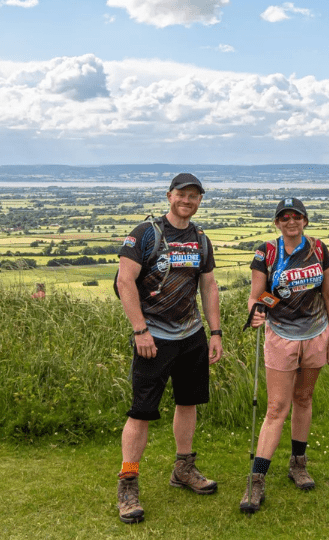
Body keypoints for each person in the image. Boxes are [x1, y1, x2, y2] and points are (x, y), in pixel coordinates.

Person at [113, 173, 224, 524]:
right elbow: (124, 280)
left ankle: (183, 469)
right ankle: (128, 484)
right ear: (169, 196)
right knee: (141, 411)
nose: (187, 200)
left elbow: (208, 285)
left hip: (191, 335)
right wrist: (139, 330)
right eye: (181, 194)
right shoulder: (146, 233)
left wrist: (216, 331)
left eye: (194, 196)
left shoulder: (201, 239)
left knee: (188, 402)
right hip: (153, 337)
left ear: (199, 201)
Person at [239, 197, 329, 513]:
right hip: (281, 336)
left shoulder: (318, 249)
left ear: (305, 220)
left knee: (304, 399)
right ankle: (256, 481)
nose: (291, 221)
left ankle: (298, 464)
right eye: (284, 217)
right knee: (276, 407)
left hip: (316, 334)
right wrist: (256, 312)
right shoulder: (266, 252)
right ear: (277, 223)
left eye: (296, 216)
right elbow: (256, 297)